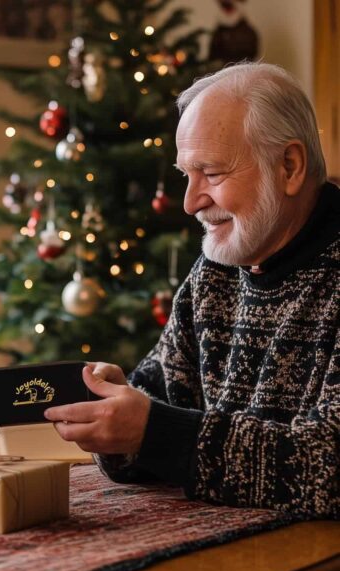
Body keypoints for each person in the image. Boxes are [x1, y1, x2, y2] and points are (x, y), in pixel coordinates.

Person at [45, 63, 339, 519]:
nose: (190, 202)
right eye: (187, 174)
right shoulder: (218, 268)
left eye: (212, 173)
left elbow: (329, 469)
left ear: (290, 166)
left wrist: (153, 431)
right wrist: (119, 410)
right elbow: (161, 398)